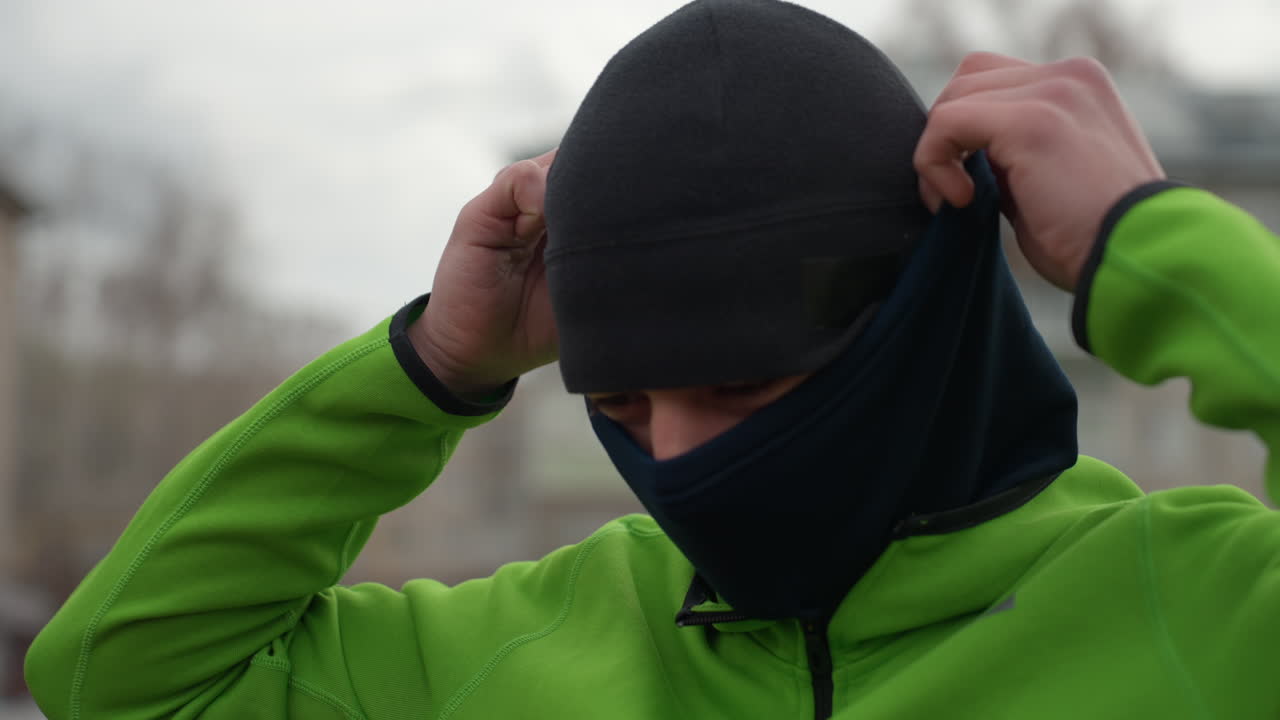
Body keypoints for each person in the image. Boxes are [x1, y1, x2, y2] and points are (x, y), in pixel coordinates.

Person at [24, 1, 1280, 718]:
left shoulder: (1198, 605)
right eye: (620, 403)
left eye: (740, 388)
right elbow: (115, 677)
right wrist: (431, 367)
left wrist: (1147, 246)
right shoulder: (537, 643)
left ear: (911, 333)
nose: (675, 461)